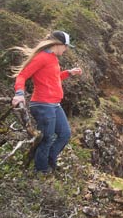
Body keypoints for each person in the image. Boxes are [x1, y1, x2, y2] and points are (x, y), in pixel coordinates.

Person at [11, 31, 82, 174]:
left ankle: (49, 161)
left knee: (65, 134)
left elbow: (53, 78)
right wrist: (19, 94)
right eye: (65, 46)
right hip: (43, 104)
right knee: (47, 138)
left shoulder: (53, 58)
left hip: (54, 104)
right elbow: (22, 76)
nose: (66, 49)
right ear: (57, 44)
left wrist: (69, 73)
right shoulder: (42, 57)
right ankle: (41, 170)